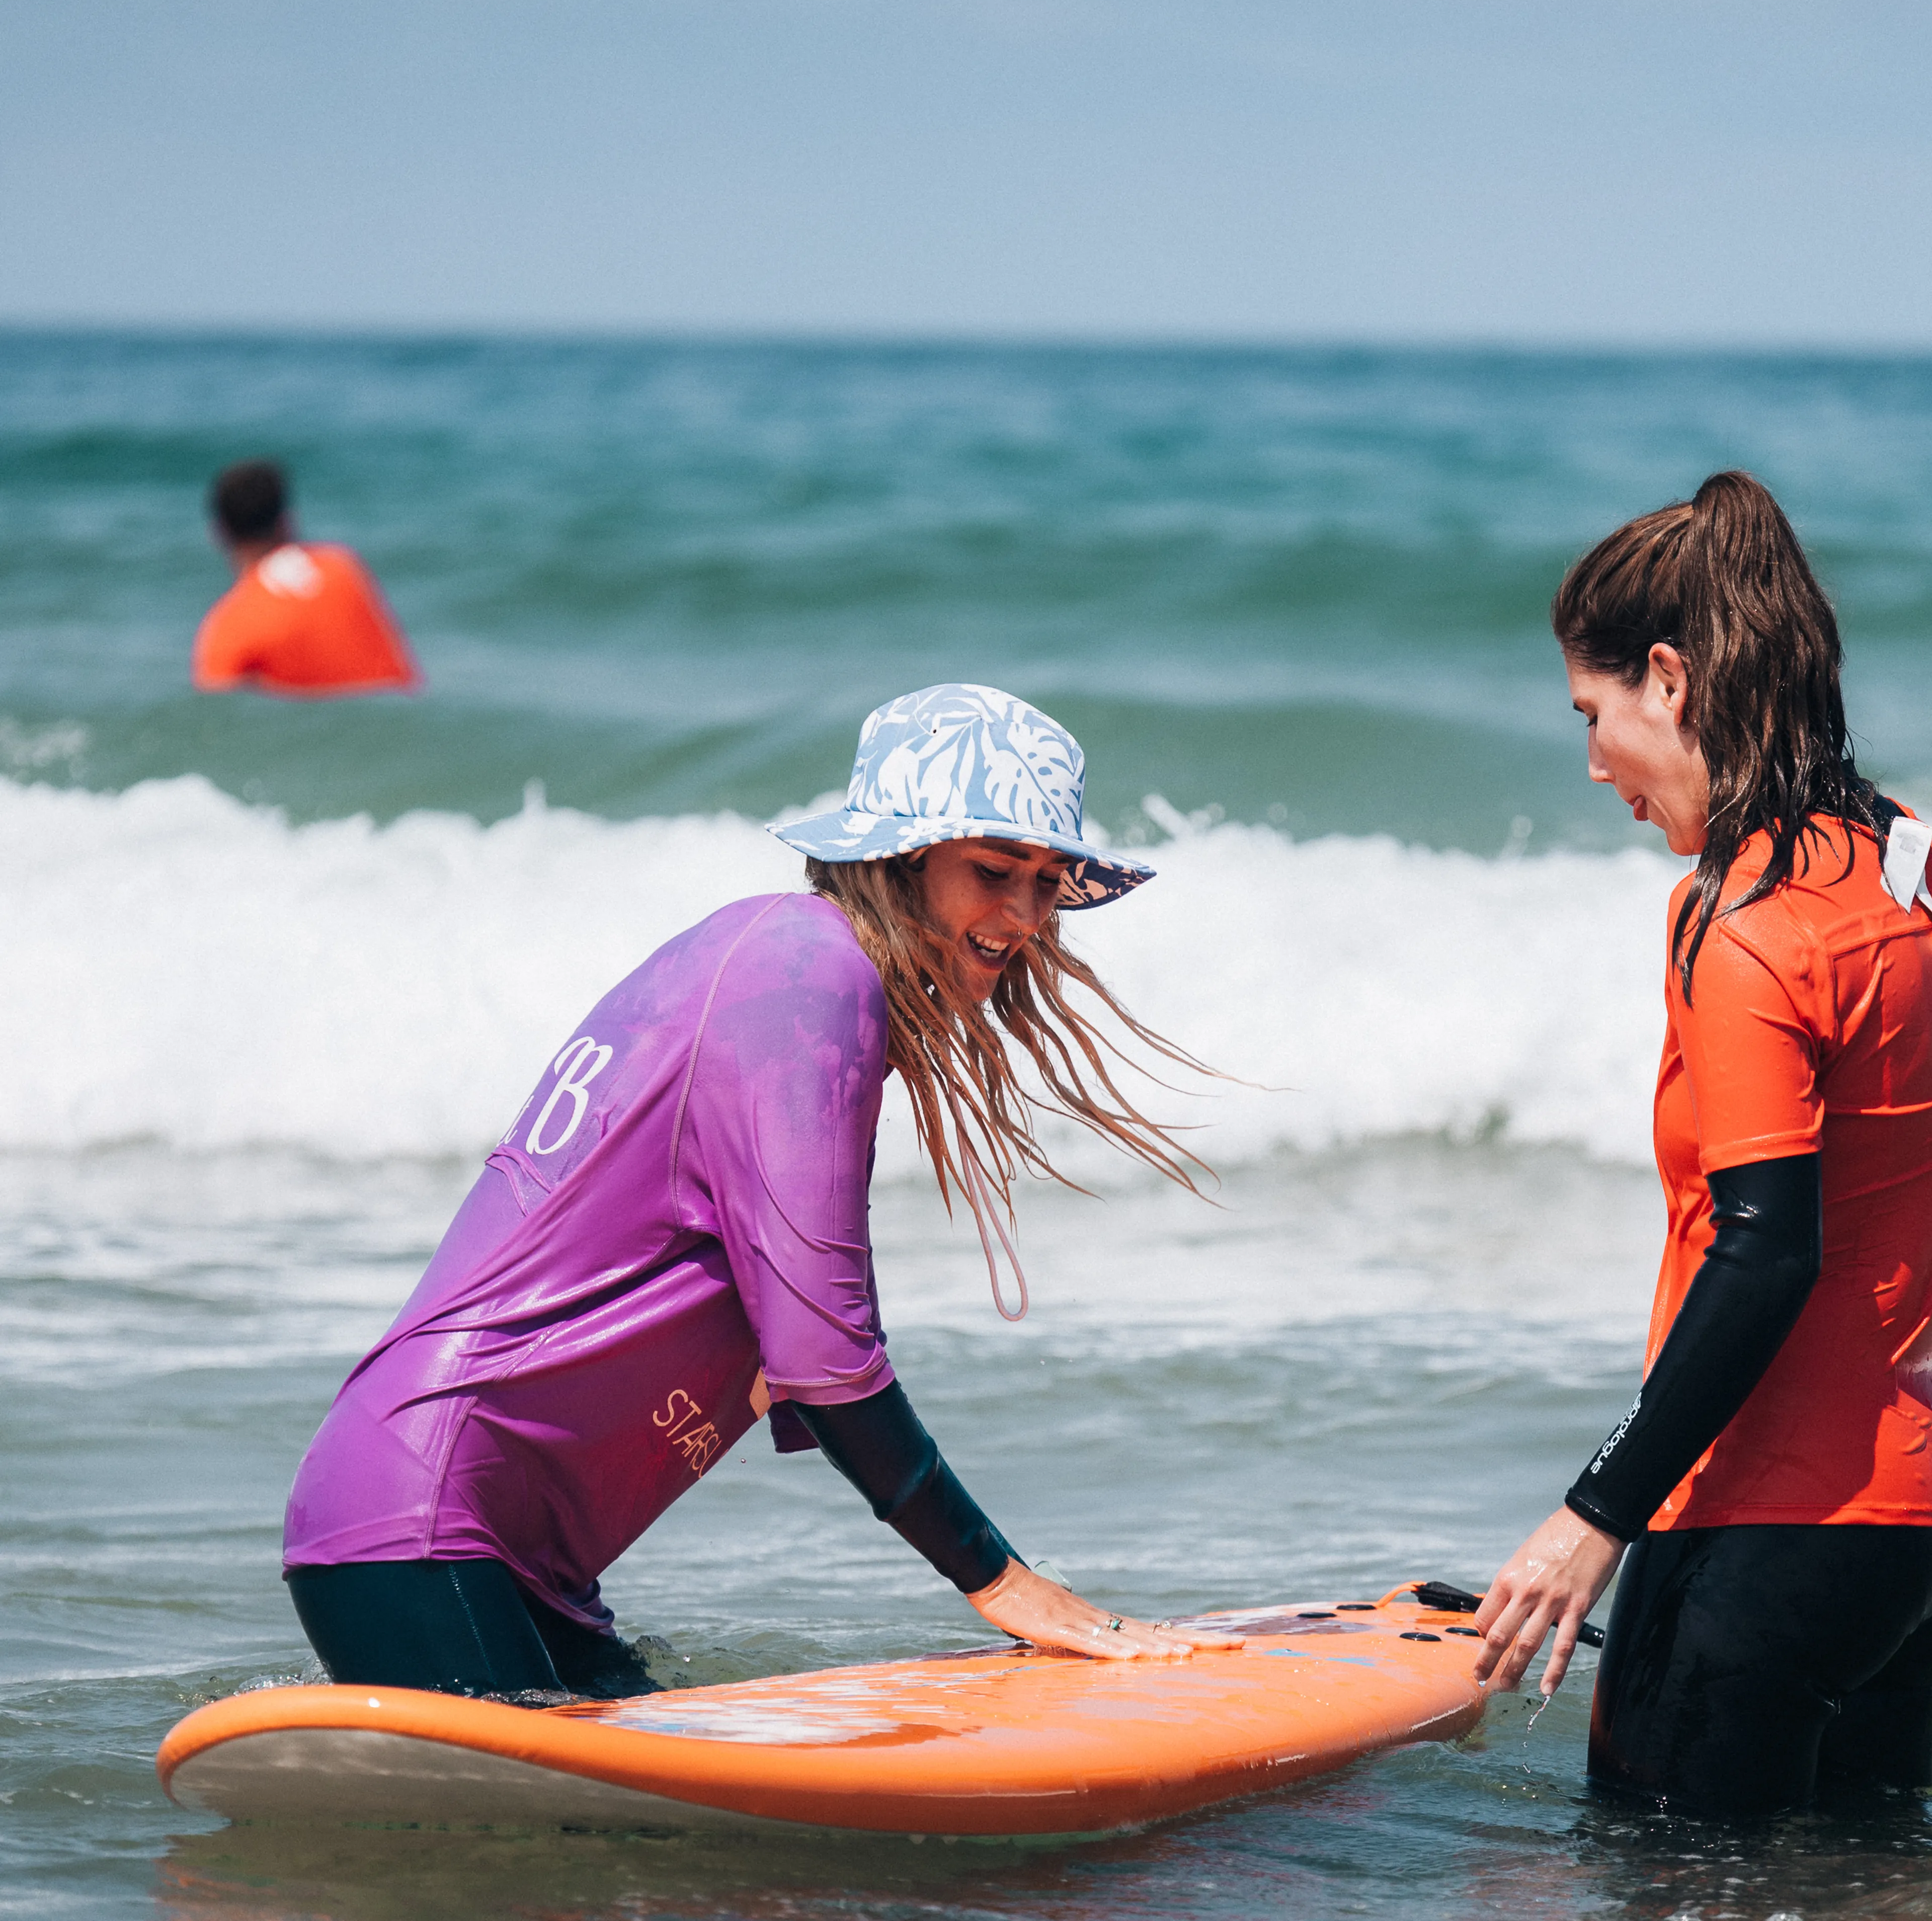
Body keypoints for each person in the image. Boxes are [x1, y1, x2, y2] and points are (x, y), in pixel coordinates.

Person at [282, 683, 1236, 1699]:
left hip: (509, 1554)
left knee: (658, 1853)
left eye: (1048, 883)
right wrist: (999, 1577)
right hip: (427, 1520)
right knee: (596, 1845)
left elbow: (797, 1345)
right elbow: (825, 1359)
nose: (1024, 914)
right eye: (994, 871)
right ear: (899, 862)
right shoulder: (807, 976)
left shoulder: (785, 962)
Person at [1475, 471, 1932, 1813]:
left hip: (1763, 1518)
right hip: (1905, 1540)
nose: (1596, 761)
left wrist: (1594, 1513)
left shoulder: (1742, 921)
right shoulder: (1908, 861)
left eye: (1593, 713)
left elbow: (1764, 1251)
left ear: (1668, 680)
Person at [193, 458, 420, 695]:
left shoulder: (229, 628)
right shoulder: (344, 566)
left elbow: (218, 717)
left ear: (219, 533)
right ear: (287, 522)